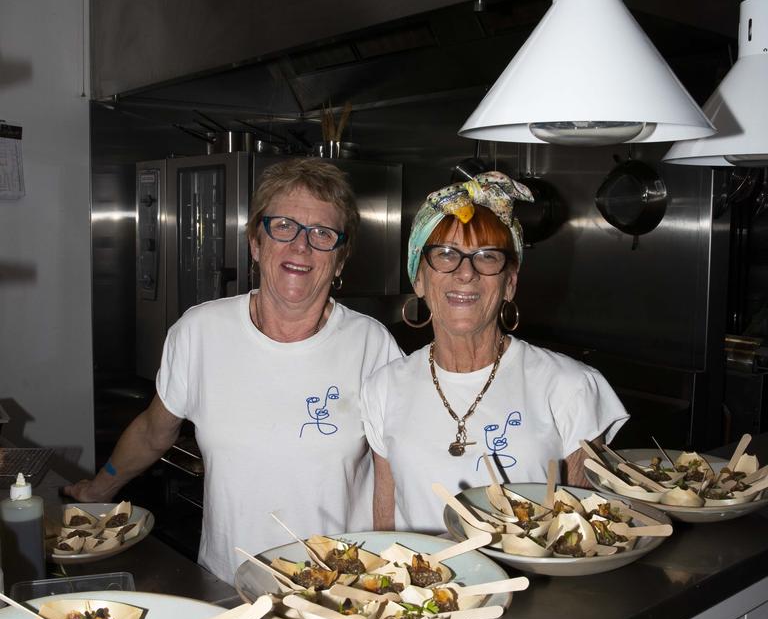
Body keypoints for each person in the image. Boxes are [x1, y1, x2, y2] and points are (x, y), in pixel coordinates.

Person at [66, 158, 401, 584]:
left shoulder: (371, 346)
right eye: (284, 226)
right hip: (228, 584)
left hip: (337, 593)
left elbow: (392, 469)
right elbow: (154, 431)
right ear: (256, 243)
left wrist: (386, 573)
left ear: (339, 261)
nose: (301, 246)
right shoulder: (200, 332)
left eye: (322, 234)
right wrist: (99, 490)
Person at [361, 171, 628, 533]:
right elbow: (385, 522)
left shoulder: (570, 387)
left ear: (510, 283)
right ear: (419, 278)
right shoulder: (384, 387)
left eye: (486, 257)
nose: (465, 273)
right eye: (445, 254)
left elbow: (585, 533)